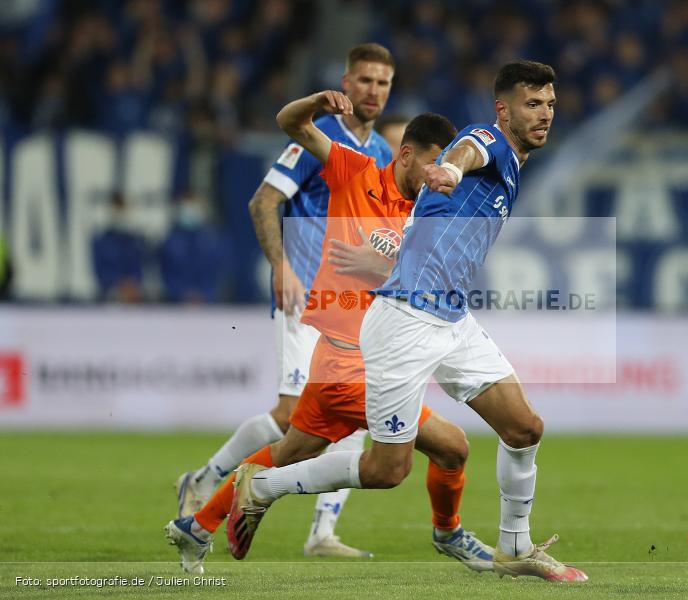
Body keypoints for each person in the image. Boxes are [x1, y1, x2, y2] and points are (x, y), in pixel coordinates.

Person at [229, 61, 588, 582]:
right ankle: (261, 487)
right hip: (404, 321)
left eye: (551, 104)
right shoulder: (485, 140)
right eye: (533, 104)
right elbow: (470, 149)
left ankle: (516, 546)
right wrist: (452, 168)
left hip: (451, 317)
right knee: (386, 470)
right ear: (504, 109)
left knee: (524, 426)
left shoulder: (514, 162)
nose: (545, 114)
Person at [167, 98, 493, 574]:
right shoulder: (354, 170)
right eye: (433, 164)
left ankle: (196, 527)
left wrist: (377, 265)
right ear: (405, 155)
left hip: (359, 363)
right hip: (352, 365)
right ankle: (449, 533)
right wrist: (319, 103)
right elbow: (290, 123)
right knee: (444, 449)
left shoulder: (427, 213)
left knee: (287, 451)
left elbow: (440, 280)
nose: (439, 176)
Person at [170, 44, 394, 560]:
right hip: (305, 297)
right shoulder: (321, 138)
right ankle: (205, 480)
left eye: (382, 83)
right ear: (346, 80)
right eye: (364, 80)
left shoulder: (381, 152)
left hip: (349, 305)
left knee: (360, 411)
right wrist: (281, 266)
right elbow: (263, 201)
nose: (373, 91)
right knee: (294, 415)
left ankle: (322, 533)